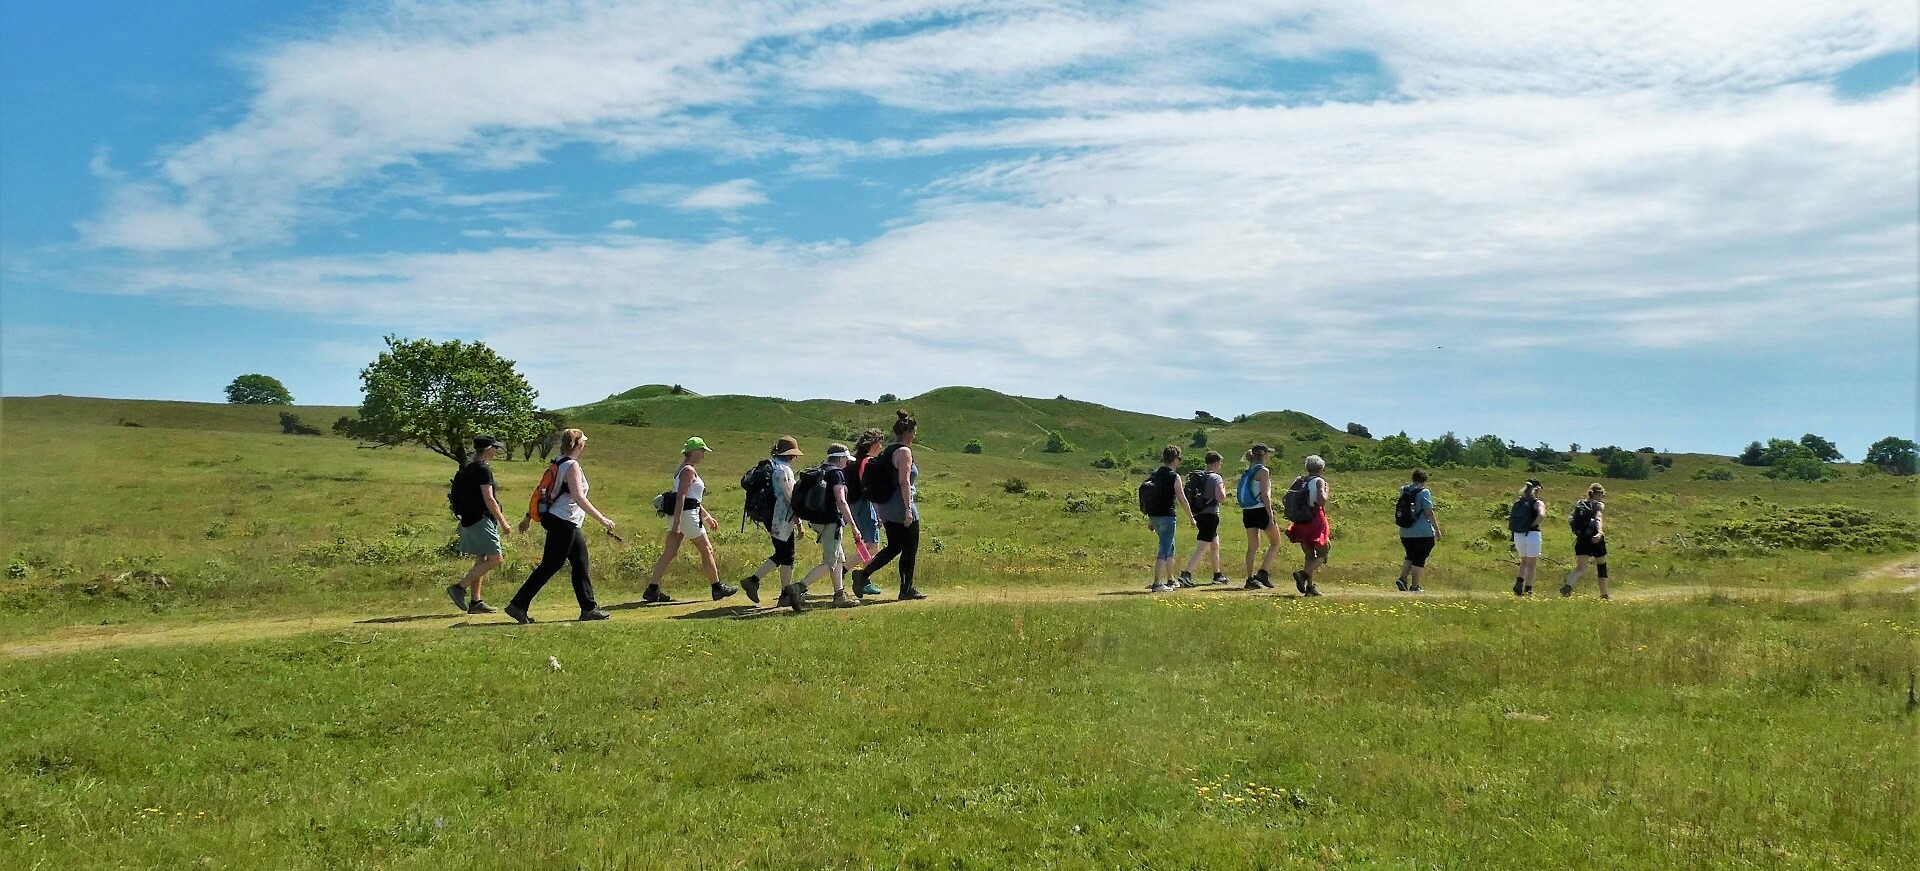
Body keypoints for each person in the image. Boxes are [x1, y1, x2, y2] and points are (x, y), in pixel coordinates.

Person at [504, 429, 613, 624]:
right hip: (564, 520)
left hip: (561, 519)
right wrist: (602, 519)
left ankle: (588, 608)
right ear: (579, 445)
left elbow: (545, 491)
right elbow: (579, 497)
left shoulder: (558, 462)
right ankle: (518, 605)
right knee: (551, 564)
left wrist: (528, 516)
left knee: (580, 562)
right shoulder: (572, 466)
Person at [642, 437, 736, 604]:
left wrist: (706, 517)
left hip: (683, 515)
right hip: (687, 516)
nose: (703, 455)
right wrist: (678, 523)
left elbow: (692, 498)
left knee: (669, 553)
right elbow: (682, 497)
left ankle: (652, 589)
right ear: (693, 452)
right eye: (701, 451)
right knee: (707, 549)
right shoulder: (688, 471)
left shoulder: (682, 469)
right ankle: (717, 587)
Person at [853, 410, 927, 601]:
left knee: (894, 546)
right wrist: (909, 510)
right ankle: (906, 589)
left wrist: (879, 510)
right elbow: (904, 482)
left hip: (886, 506)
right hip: (900, 505)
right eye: (914, 432)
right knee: (910, 547)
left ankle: (863, 574)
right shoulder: (904, 452)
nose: (915, 436)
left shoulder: (887, 451)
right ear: (908, 432)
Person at [739, 436, 806, 612]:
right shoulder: (784, 470)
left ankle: (759, 583)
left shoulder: (772, 466)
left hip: (771, 516)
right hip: (782, 517)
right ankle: (776, 590)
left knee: (782, 553)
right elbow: (789, 497)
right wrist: (799, 521)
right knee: (787, 554)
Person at [795, 443, 865, 609]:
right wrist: (854, 526)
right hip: (830, 522)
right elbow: (841, 500)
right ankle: (797, 588)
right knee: (830, 562)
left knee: (839, 559)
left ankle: (839, 594)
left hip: (817, 521)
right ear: (840, 458)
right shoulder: (836, 474)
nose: (846, 463)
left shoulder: (822, 471)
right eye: (845, 460)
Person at [447, 435, 511, 614]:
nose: (497, 451)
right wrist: (503, 522)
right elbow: (489, 498)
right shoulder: (483, 469)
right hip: (481, 519)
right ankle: (459, 588)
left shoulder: (469, 468)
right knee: (496, 559)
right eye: (495, 448)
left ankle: (476, 602)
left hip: (469, 519)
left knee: (481, 559)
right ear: (488, 449)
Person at [1143, 445, 1196, 592]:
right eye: (1179, 458)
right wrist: (1191, 517)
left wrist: (1150, 519)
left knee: (1170, 546)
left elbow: (1151, 497)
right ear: (1174, 459)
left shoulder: (1155, 474)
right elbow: (1182, 498)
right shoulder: (1174, 476)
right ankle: (1157, 583)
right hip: (1167, 516)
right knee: (1165, 548)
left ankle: (1170, 579)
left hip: (1154, 516)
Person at [1178, 451, 1232, 587]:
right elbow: (1221, 497)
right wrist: (1224, 489)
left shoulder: (1200, 477)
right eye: (1219, 463)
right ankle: (1186, 574)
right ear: (1215, 463)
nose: (1220, 466)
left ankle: (1217, 575)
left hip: (1198, 513)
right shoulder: (1216, 478)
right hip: (1210, 515)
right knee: (1202, 547)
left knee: (1215, 545)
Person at [844, 428, 887, 598]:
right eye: (880, 442)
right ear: (874, 444)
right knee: (873, 545)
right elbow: (871, 490)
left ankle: (863, 578)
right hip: (865, 505)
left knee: (865, 545)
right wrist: (879, 513)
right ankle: (851, 573)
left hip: (854, 506)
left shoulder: (854, 462)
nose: (881, 446)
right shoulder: (868, 462)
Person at [1284, 455, 1330, 596]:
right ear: (1321, 468)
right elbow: (1321, 501)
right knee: (1323, 552)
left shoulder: (1300, 481)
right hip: (1315, 518)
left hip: (1301, 520)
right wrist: (1327, 491)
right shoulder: (1319, 481)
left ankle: (1310, 588)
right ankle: (1303, 575)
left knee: (1309, 554)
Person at [1237, 444, 1281, 589]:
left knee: (1252, 547)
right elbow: (1265, 495)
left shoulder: (1248, 470)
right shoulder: (1263, 471)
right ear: (1264, 455)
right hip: (1261, 509)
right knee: (1275, 543)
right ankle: (1263, 572)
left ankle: (1249, 578)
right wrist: (1270, 514)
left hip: (1248, 511)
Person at [1562, 483, 1611, 599]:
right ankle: (1604, 594)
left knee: (1580, 568)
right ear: (1598, 494)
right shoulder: (1598, 505)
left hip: (1582, 539)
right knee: (1601, 566)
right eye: (1602, 495)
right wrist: (1599, 532)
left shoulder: (1579, 504)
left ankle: (1568, 586)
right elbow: (1598, 518)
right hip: (1595, 538)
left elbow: (1571, 519)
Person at [1394, 469, 1439, 593]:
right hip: (1423, 532)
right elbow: (1428, 512)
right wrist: (1437, 530)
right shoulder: (1424, 492)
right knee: (1419, 559)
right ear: (1424, 481)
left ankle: (1403, 579)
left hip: (1405, 532)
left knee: (1410, 555)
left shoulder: (1403, 490)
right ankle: (1415, 586)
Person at [1508, 479, 1547, 596]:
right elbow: (1541, 515)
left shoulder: (1519, 502)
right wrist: (1532, 524)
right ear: (1537, 489)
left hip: (1518, 535)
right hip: (1532, 535)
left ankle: (1519, 582)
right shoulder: (1537, 502)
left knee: (1523, 561)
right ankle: (1528, 589)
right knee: (1532, 564)